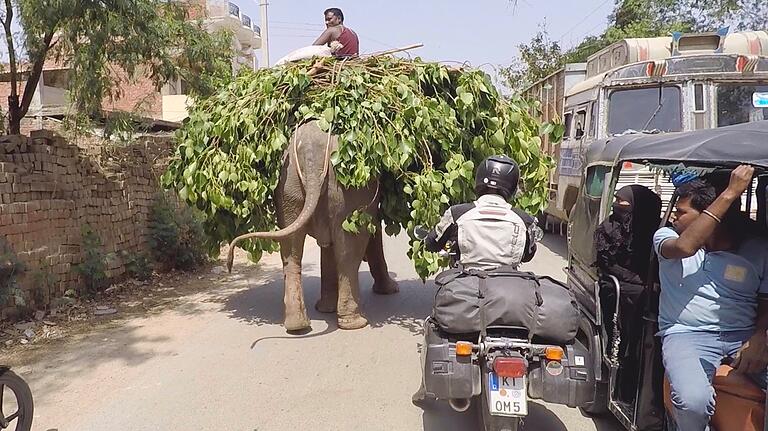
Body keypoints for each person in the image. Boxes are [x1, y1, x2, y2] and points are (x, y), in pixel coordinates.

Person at [412, 155, 539, 406]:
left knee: (434, 325)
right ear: (512, 185)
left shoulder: (458, 213)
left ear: (479, 180)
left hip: (467, 288)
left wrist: (428, 239)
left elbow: (433, 241)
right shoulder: (525, 220)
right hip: (510, 292)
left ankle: (427, 389)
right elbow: (529, 253)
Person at [654, 165, 768, 431]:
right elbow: (685, 247)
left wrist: (760, 335)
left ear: (712, 215)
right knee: (693, 401)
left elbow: (765, 300)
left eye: (681, 212)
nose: (672, 216)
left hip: (743, 334)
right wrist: (730, 192)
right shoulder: (667, 237)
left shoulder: (758, 249)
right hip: (686, 334)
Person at [595, 185, 662, 402]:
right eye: (616, 200)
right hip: (619, 285)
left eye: (623, 201)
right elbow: (607, 264)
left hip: (649, 285)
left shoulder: (657, 231)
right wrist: (640, 281)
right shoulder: (608, 228)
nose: (617, 204)